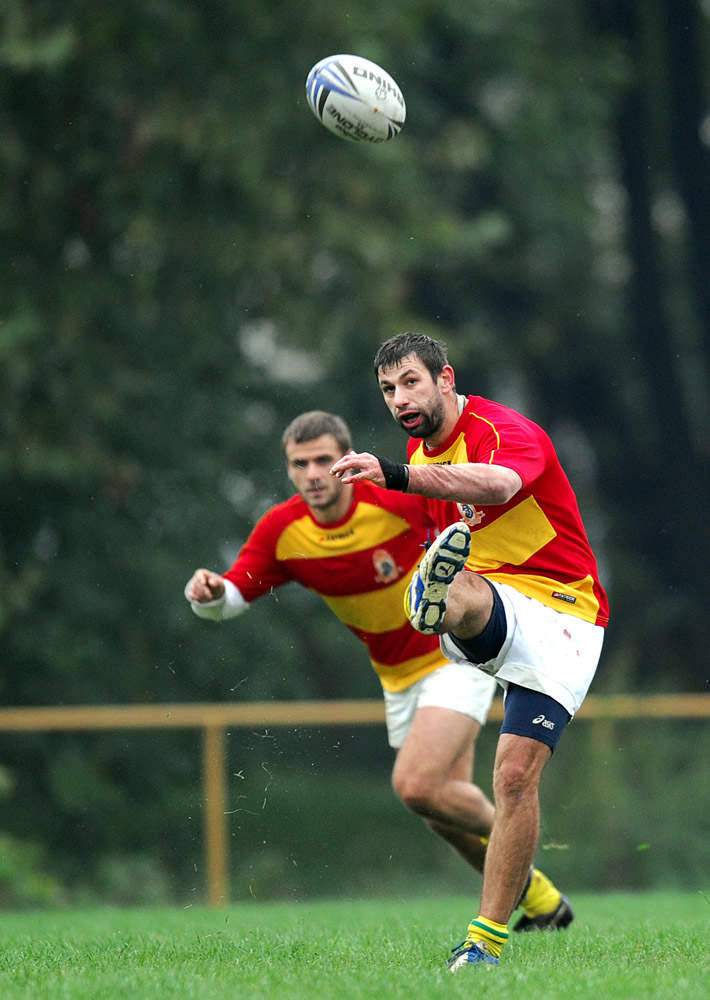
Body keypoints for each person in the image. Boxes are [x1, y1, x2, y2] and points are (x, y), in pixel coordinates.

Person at [186, 409, 569, 927]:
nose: (313, 474)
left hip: (451, 658)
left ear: (345, 460)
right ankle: (542, 901)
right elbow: (233, 594)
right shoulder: (283, 530)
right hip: (396, 677)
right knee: (440, 814)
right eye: (300, 464)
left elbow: (469, 530)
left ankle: (516, 829)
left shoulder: (393, 499)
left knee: (415, 786)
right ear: (289, 469)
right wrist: (210, 594)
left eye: (324, 460)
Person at [330, 334, 609, 969]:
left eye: (410, 382)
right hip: (496, 603)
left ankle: (493, 938)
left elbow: (498, 483)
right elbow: (444, 521)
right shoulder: (419, 452)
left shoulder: (503, 430)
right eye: (388, 389)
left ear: (446, 379)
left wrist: (395, 475)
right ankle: (435, 602)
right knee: (458, 585)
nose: (399, 399)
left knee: (513, 778)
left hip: (567, 612)